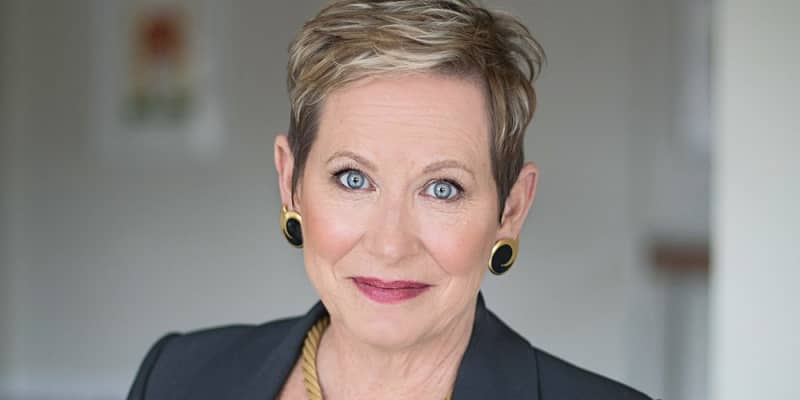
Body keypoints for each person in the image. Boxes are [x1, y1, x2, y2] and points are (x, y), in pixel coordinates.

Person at [127, 1, 652, 399]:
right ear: (290, 182)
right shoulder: (176, 378)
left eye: (442, 188)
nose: (390, 244)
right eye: (353, 179)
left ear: (510, 211)